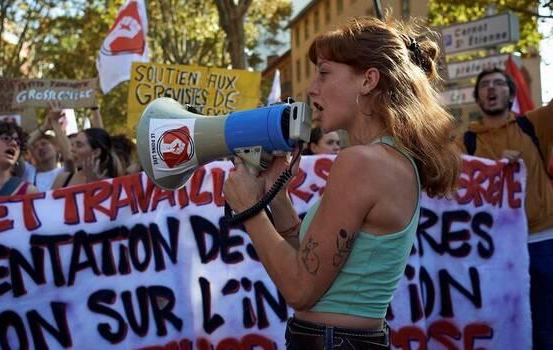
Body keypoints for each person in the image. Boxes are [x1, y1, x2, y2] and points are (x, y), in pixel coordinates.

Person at [224, 17, 460, 349]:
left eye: (324, 72)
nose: (311, 88)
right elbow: (312, 265)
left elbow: (300, 290)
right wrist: (277, 199)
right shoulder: (388, 158)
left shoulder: (362, 162)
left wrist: (249, 209)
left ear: (368, 80)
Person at [458, 67, 553, 349]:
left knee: (547, 326)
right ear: (478, 99)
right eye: (485, 85)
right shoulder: (465, 142)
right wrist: (493, 169)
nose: (491, 89)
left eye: (499, 83)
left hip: (543, 242)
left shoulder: (534, 125)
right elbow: (444, 178)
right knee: (506, 326)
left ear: (511, 93)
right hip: (495, 251)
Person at [52, 128, 124, 188]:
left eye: (79, 145)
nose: (72, 149)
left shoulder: (114, 184)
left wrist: (93, 185)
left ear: (96, 152)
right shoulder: (62, 179)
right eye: (73, 145)